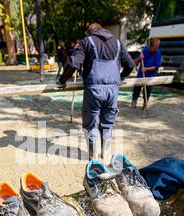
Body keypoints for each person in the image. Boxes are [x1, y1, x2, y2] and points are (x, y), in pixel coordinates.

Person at [57, 23, 134, 160]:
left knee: (90, 124)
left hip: (93, 90)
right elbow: (130, 64)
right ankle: (105, 153)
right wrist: (121, 77)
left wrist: (62, 80)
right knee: (108, 123)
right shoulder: (117, 42)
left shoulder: (87, 42)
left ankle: (93, 156)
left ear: (89, 32)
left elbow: (73, 64)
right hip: (112, 91)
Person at [131, 38, 162, 108]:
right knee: (136, 88)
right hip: (141, 74)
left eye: (157, 47)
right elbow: (135, 62)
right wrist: (140, 58)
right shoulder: (144, 51)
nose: (155, 49)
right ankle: (134, 101)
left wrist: (146, 69)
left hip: (150, 75)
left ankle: (145, 103)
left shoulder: (158, 53)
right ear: (150, 46)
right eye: (154, 47)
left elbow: (157, 66)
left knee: (147, 91)